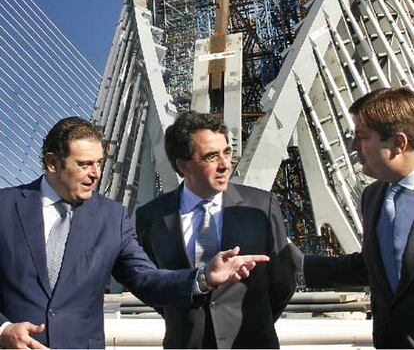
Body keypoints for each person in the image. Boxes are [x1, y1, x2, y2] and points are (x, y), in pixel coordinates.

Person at [0, 117, 269, 349]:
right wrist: (3, 330)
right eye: (83, 164)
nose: (96, 174)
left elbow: (145, 279)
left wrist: (203, 277)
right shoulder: (4, 208)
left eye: (99, 163)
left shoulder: (111, 216)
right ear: (52, 163)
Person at [136, 111, 295, 349]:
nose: (225, 165)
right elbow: (151, 284)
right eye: (211, 157)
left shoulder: (262, 206)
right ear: (182, 165)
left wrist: (254, 325)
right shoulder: (152, 217)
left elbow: (283, 282)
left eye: (227, 152)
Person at [289, 86, 414, 349]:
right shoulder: (373, 197)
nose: (354, 146)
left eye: (362, 136)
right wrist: (301, 263)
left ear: (397, 144)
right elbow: (373, 267)